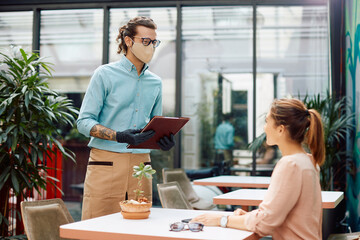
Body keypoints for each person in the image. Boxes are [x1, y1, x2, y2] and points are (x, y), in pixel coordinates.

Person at [77, 16, 175, 220]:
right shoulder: (104, 74)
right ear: (129, 41)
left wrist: (162, 140)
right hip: (106, 161)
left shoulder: (155, 82)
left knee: (139, 224)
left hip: (141, 164)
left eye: (154, 42)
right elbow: (84, 122)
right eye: (145, 41)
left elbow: (154, 125)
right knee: (98, 225)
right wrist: (119, 136)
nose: (151, 47)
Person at [192, 98, 325, 239]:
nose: (264, 127)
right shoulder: (308, 161)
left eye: (267, 121)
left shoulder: (291, 165)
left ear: (280, 129)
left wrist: (222, 220)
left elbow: (265, 223)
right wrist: (248, 216)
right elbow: (281, 215)